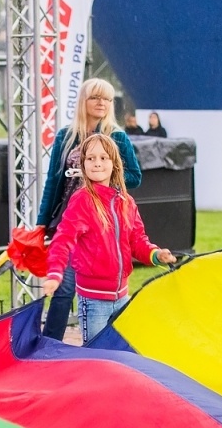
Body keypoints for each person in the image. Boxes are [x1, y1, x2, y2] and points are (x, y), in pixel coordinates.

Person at [42, 133, 174, 343]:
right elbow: (63, 239)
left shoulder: (126, 202)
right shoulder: (82, 200)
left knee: (121, 356)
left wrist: (156, 254)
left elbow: (138, 240)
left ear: (115, 163)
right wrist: (55, 273)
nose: (97, 163)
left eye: (104, 158)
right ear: (83, 164)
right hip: (93, 302)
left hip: (122, 297)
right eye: (91, 158)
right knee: (97, 359)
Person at [37, 78, 142, 340]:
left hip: (103, 224)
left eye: (107, 99)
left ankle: (104, 348)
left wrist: (104, 175)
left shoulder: (117, 136)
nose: (102, 103)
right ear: (83, 101)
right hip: (71, 221)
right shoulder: (66, 136)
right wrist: (41, 222)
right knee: (63, 290)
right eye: (96, 97)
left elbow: (135, 177)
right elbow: (54, 182)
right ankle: (49, 347)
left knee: (101, 295)